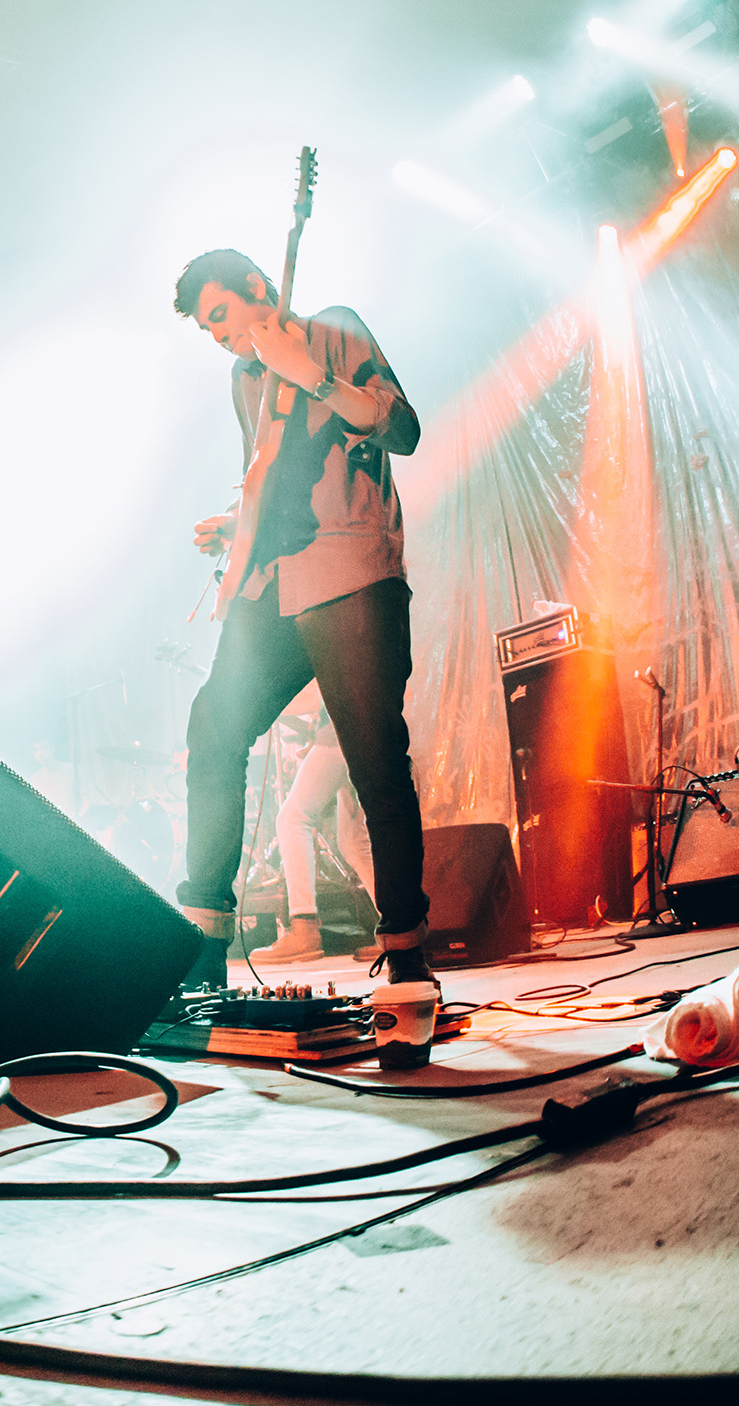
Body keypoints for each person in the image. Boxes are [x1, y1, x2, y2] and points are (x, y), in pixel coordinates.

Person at [171, 250, 434, 1030]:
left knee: (375, 758)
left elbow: (403, 430)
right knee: (213, 729)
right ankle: (202, 946)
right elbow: (268, 477)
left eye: (220, 315)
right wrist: (236, 529)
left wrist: (313, 374)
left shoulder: (333, 331)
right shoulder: (243, 379)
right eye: (205, 327)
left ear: (258, 290)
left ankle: (409, 958)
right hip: (273, 584)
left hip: (350, 567)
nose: (217, 336)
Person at [251, 694, 376, 962]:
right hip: (365, 726)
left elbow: (312, 690)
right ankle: (397, 929)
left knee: (293, 818)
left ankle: (304, 927)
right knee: (354, 842)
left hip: (342, 731)